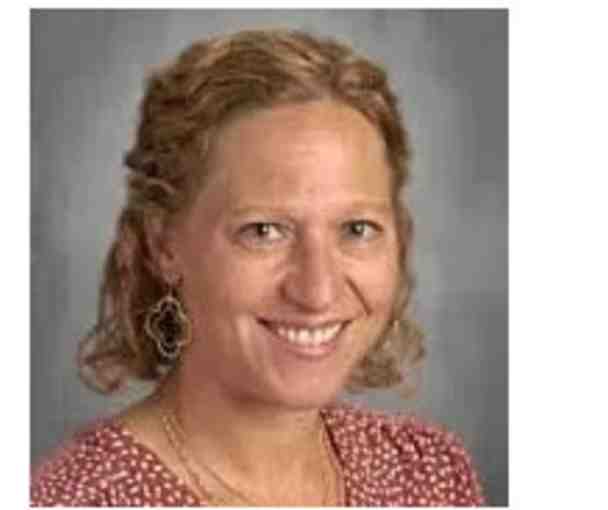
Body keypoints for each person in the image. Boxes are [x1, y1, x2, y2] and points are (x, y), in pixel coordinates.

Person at [31, 29, 485, 506]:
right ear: (163, 245)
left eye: (357, 229)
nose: (318, 291)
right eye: (264, 231)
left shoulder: (428, 474)